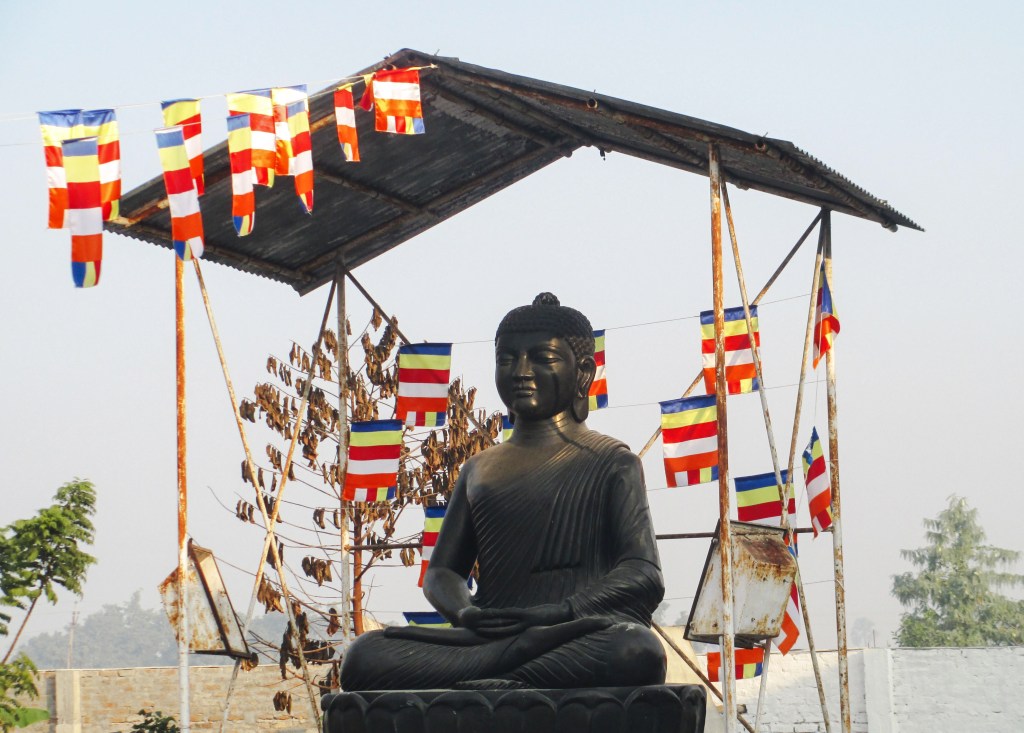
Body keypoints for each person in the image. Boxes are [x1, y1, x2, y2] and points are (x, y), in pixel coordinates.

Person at [340, 293, 666, 690]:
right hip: (489, 636)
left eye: (542, 359)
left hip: (570, 634)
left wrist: (560, 612)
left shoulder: (612, 462)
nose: (520, 372)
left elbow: (643, 573)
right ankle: (511, 670)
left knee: (635, 651)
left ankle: (495, 675)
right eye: (507, 359)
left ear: (583, 372)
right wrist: (465, 614)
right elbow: (442, 572)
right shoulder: (480, 468)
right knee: (364, 657)